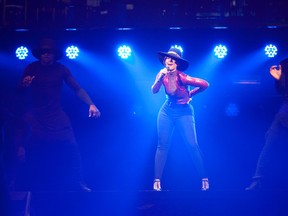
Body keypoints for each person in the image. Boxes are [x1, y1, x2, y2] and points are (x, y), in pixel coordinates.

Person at [13, 38, 101, 192]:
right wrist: (23, 84)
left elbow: (77, 88)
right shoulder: (31, 68)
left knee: (71, 147)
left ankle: (79, 182)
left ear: (53, 55)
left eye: (49, 53)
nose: (46, 55)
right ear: (39, 55)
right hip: (36, 115)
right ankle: (21, 185)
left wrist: (91, 103)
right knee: (28, 149)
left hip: (56, 115)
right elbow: (18, 92)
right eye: (43, 53)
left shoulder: (61, 69)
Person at [151, 47, 209, 191]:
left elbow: (205, 84)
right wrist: (159, 78)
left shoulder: (183, 77)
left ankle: (204, 178)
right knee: (162, 145)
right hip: (167, 110)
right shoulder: (162, 74)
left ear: (177, 63)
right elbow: (154, 90)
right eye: (167, 58)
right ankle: (157, 181)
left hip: (184, 112)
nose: (169, 60)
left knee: (192, 145)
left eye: (173, 59)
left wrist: (191, 94)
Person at [245, 59, 288, 191]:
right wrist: (278, 79)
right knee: (269, 143)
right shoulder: (284, 70)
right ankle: (258, 180)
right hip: (283, 112)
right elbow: (282, 93)